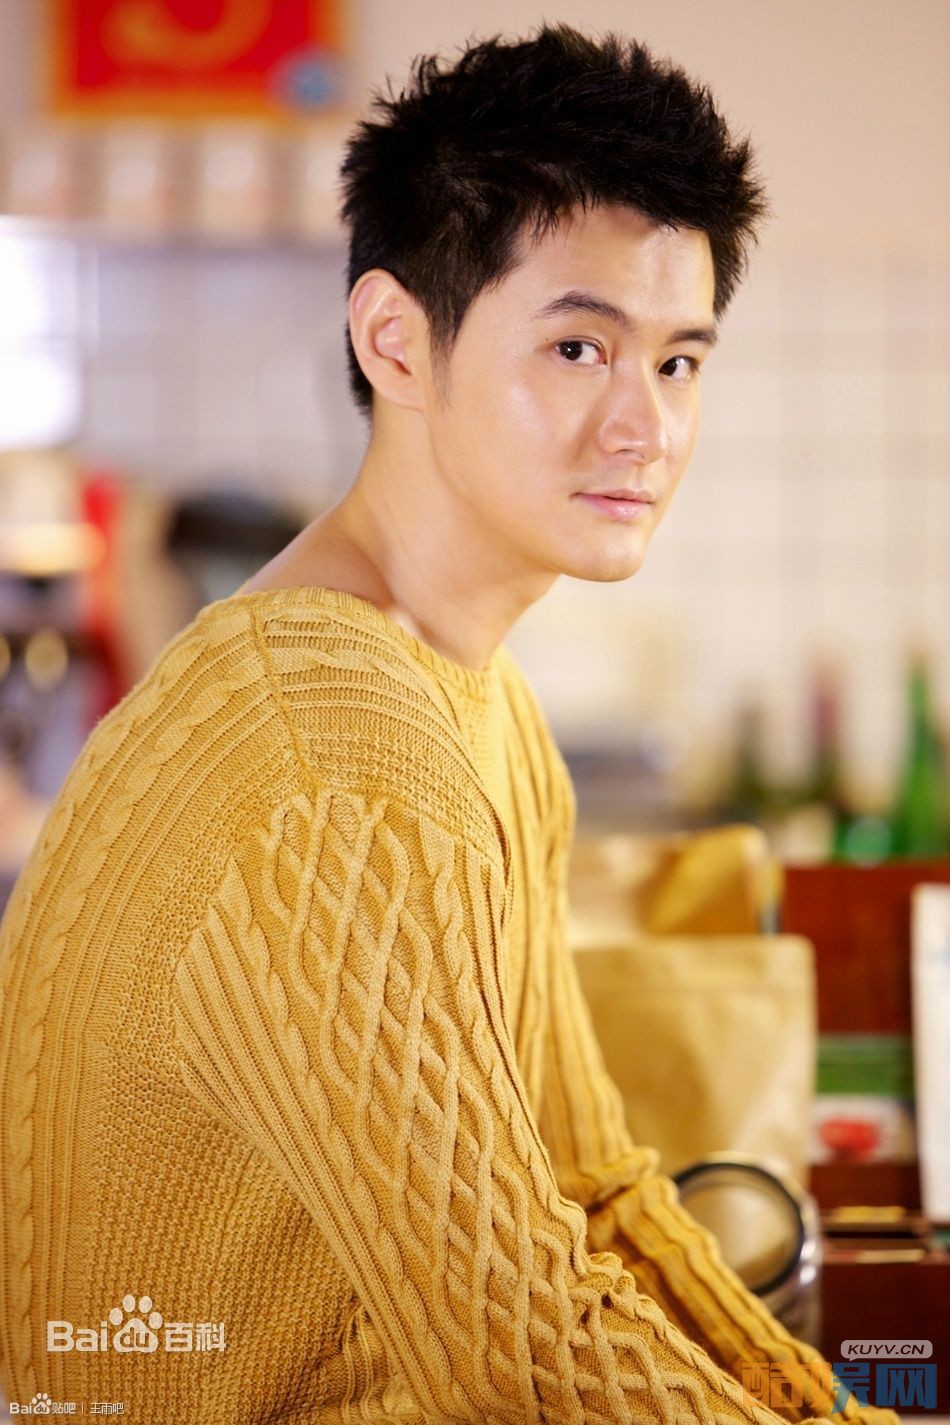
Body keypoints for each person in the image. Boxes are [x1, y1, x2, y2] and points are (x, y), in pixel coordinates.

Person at [0, 23, 900, 1425]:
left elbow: (591, 1188)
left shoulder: (471, 695)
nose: (645, 427)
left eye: (677, 363)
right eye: (578, 346)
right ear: (397, 342)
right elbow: (523, 1349)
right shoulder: (328, 751)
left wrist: (819, 1410)